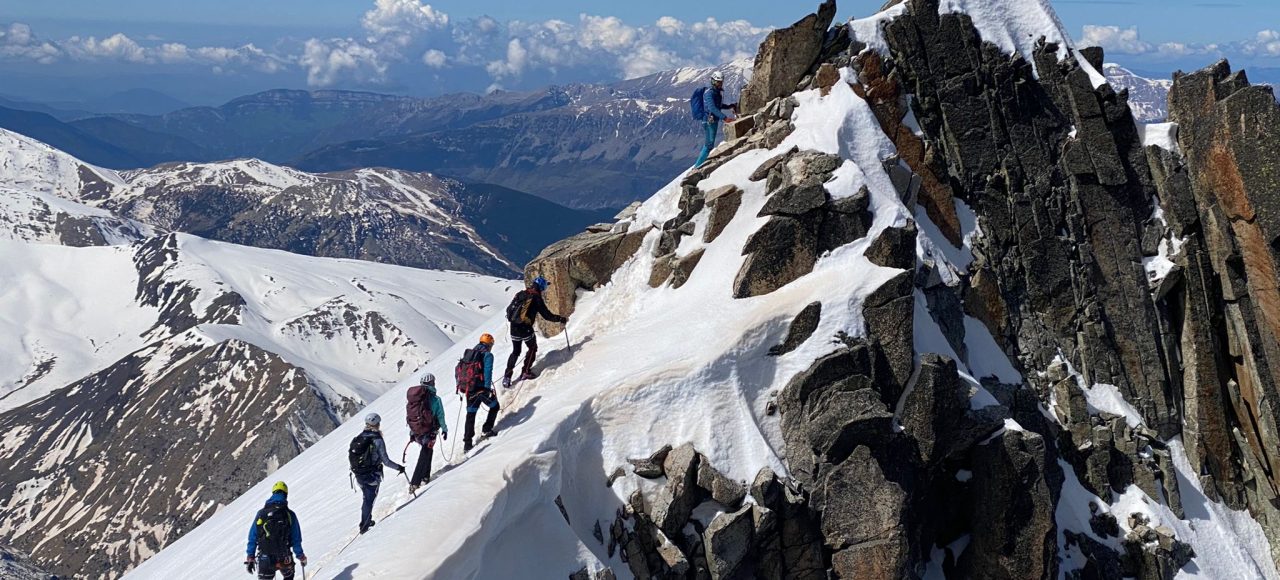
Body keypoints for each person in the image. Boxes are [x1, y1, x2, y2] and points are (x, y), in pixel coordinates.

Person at [502, 276, 567, 386]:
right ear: (541, 287)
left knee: (515, 352)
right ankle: (525, 372)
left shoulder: (521, 293)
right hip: (525, 328)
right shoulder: (536, 298)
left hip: (513, 327)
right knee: (532, 348)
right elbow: (547, 315)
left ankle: (507, 377)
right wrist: (560, 319)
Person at [349, 413, 404, 534]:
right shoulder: (377, 439)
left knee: (366, 498)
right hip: (372, 475)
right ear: (377, 424)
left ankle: (366, 521)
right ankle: (364, 525)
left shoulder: (360, 437)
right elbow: (386, 460)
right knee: (369, 500)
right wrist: (399, 467)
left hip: (359, 475)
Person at [244, 481, 306, 579]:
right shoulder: (290, 515)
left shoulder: (261, 514)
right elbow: (296, 539)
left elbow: (253, 536)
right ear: (286, 494)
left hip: (265, 556)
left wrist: (250, 556)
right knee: (289, 576)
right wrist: (301, 556)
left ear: (273, 493)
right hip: (284, 557)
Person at [406, 373, 448, 494]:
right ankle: (415, 482)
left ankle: (425, 477)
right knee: (425, 453)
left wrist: (412, 433)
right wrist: (444, 429)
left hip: (417, 432)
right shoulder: (435, 399)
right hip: (430, 431)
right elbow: (440, 416)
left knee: (427, 450)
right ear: (432, 383)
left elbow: (411, 416)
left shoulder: (414, 399)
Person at [461, 333, 499, 452]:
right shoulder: (487, 355)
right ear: (489, 344)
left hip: (469, 389)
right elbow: (488, 371)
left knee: (471, 414)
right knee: (495, 406)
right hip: (481, 389)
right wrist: (487, 389)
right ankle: (487, 429)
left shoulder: (470, 354)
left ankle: (467, 444)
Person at [694, 71, 738, 168]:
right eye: (718, 82)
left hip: (712, 120)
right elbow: (712, 108)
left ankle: (699, 165)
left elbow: (718, 106)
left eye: (721, 82)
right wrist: (725, 118)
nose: (720, 84)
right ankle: (697, 167)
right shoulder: (709, 93)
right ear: (713, 81)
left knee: (709, 144)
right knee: (708, 145)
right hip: (709, 121)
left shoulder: (716, 92)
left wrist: (729, 106)